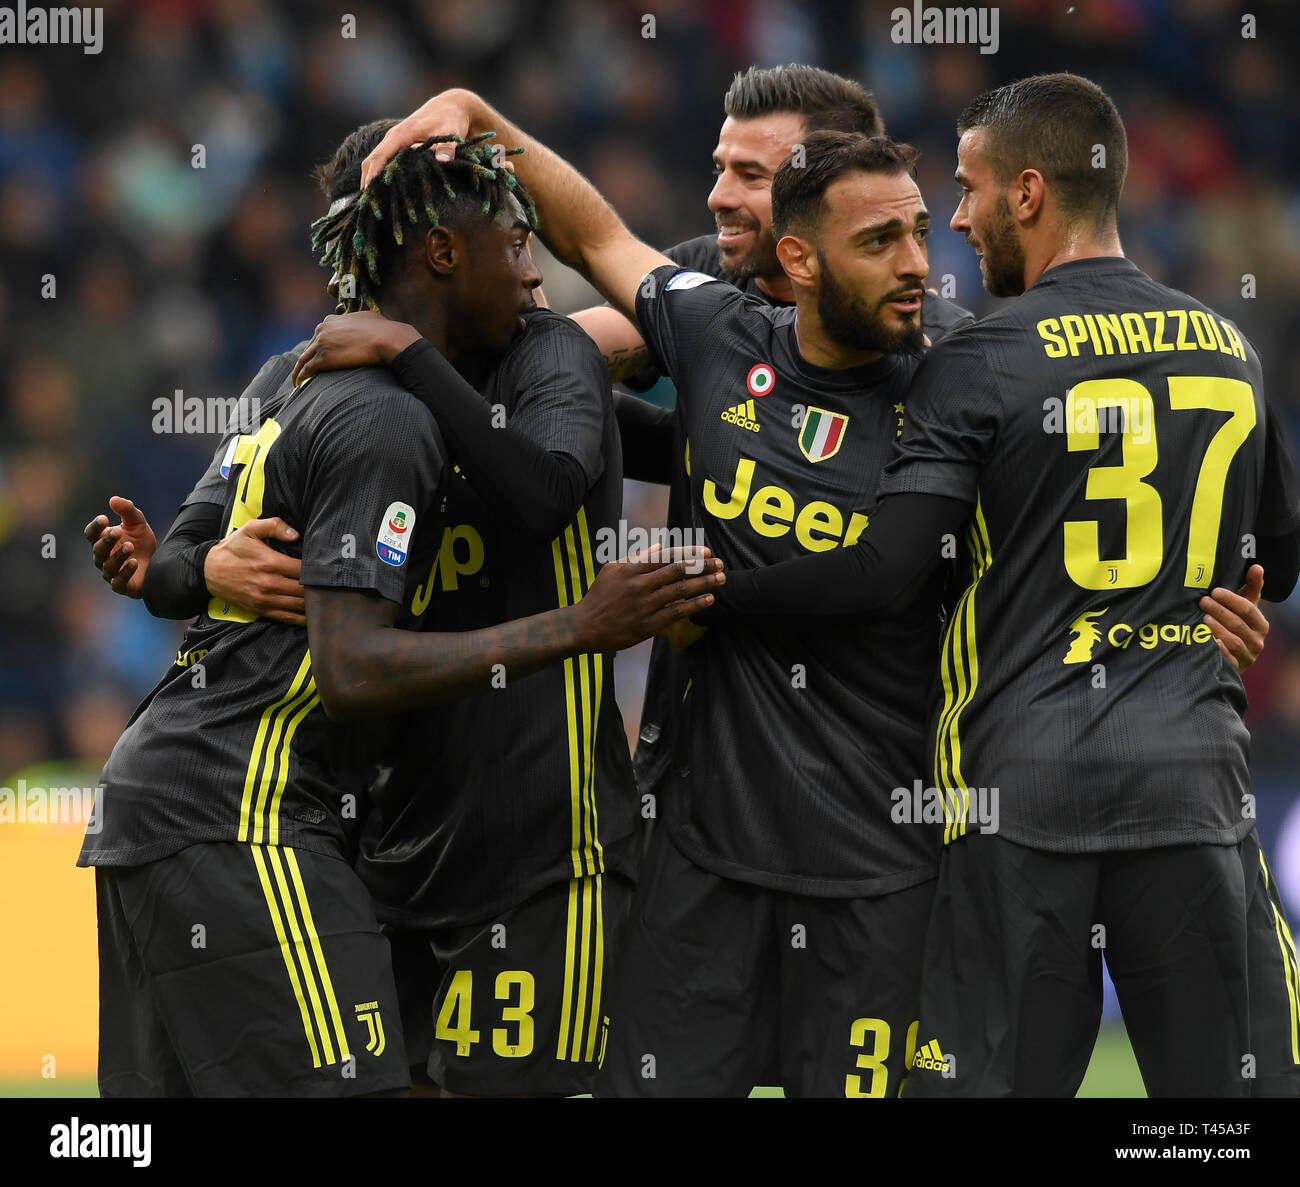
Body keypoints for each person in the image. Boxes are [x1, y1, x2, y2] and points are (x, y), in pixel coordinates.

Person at [683, 73, 1300, 1097]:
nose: (954, 222)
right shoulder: (1226, 342)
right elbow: (1280, 555)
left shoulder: (983, 359)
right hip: (1193, 787)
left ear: (1025, 194)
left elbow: (887, 569)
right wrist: (1219, 601)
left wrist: (710, 599)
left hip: (1021, 802)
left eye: (965, 192)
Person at [77, 132, 722, 1098]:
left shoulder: (528, 358)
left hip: (534, 847)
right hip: (286, 816)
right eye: (513, 242)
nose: (534, 274)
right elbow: (290, 628)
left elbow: (558, 484)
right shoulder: (365, 405)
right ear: (437, 245)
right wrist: (206, 560)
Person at [365, 83, 965, 1096]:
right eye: (720, 168)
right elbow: (567, 287)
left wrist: (1171, 621)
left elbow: (905, 568)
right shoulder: (711, 317)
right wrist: (480, 126)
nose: (721, 196)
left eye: (750, 174)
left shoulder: (953, 379)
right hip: (701, 844)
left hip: (878, 850)